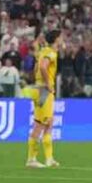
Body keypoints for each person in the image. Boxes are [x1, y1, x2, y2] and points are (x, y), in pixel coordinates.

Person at [27, 30, 63, 168]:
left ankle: (49, 158)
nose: (62, 40)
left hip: (38, 88)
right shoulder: (51, 53)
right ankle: (31, 159)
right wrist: (48, 83)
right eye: (60, 37)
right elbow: (42, 67)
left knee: (48, 122)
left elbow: (37, 66)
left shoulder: (43, 51)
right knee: (40, 124)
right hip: (44, 90)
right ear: (56, 39)